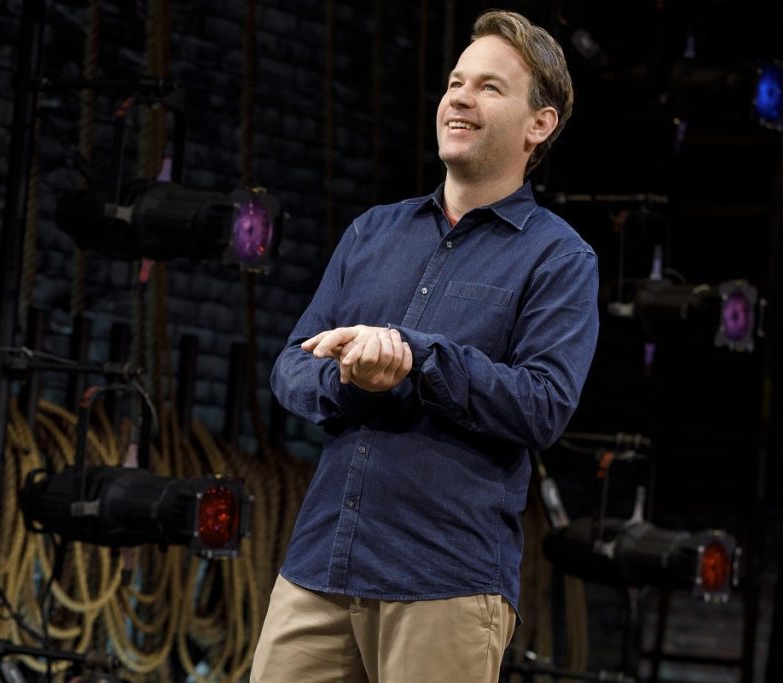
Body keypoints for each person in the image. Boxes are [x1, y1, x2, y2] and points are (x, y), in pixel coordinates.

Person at [251, 8, 599, 683]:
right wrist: (357, 376)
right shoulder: (372, 233)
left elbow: (544, 405)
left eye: (490, 87)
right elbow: (292, 366)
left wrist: (417, 361)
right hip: (322, 567)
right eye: (455, 81)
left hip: (444, 583)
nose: (460, 98)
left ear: (540, 124)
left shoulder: (559, 259)